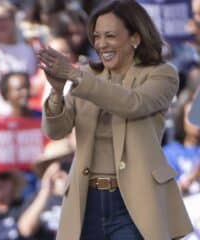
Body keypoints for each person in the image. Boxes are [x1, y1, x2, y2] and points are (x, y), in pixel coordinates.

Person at [37, 0, 193, 239]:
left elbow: (132, 104)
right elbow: (56, 131)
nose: (101, 44)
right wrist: (57, 92)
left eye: (110, 35)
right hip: (86, 201)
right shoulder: (87, 75)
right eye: (97, 37)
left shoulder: (162, 74)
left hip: (135, 202)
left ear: (135, 38)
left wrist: (74, 75)